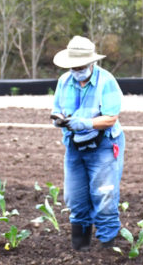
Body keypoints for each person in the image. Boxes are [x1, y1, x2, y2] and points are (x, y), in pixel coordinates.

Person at [51, 35, 126, 251]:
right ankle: (80, 245)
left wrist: (84, 123)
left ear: (92, 62)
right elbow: (57, 108)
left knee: (104, 194)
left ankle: (107, 245)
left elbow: (111, 117)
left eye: (81, 65)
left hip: (103, 146)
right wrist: (60, 119)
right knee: (75, 197)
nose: (77, 69)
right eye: (73, 65)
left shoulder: (107, 81)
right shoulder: (64, 81)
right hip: (75, 146)